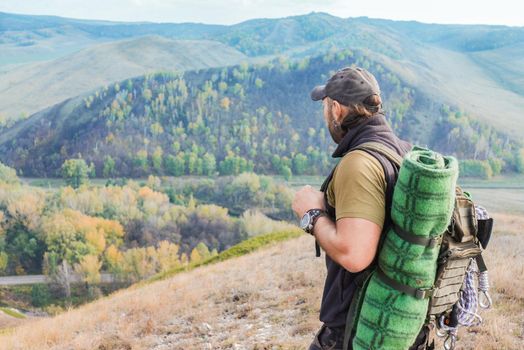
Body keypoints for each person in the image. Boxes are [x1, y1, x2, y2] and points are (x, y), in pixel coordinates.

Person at [291, 67, 412, 350]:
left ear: (336, 109)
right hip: (391, 315)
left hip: (355, 326)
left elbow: (354, 254)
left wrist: (311, 214)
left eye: (325, 106)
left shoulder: (359, 163)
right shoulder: (402, 150)